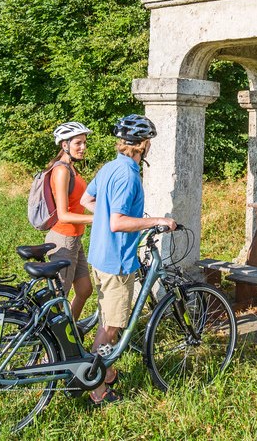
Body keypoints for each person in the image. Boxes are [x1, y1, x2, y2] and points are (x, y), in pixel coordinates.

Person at [80, 114, 175, 406]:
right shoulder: (129, 176)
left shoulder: (110, 168)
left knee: (108, 317)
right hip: (116, 262)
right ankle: (96, 387)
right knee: (112, 327)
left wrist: (111, 215)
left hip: (98, 254)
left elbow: (87, 199)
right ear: (143, 145)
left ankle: (104, 372)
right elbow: (118, 223)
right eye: (149, 143)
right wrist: (157, 221)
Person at [44, 121, 96, 321]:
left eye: (84, 143)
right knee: (59, 298)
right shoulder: (61, 171)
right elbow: (63, 214)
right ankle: (51, 349)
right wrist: (97, 219)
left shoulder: (71, 168)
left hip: (75, 237)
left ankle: (69, 334)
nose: (83, 147)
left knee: (84, 290)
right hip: (63, 239)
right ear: (64, 145)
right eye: (78, 143)